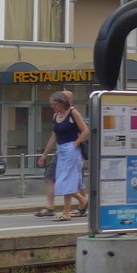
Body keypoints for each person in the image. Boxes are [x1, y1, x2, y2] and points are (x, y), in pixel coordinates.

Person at [36, 91, 89, 221]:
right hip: (61, 149)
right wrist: (44, 154)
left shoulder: (73, 113)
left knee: (66, 181)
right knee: (62, 180)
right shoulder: (56, 116)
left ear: (61, 103)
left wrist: (75, 144)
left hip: (71, 150)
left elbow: (85, 131)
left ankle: (66, 213)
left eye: (54, 104)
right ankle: (82, 200)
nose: (52, 107)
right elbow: (54, 136)